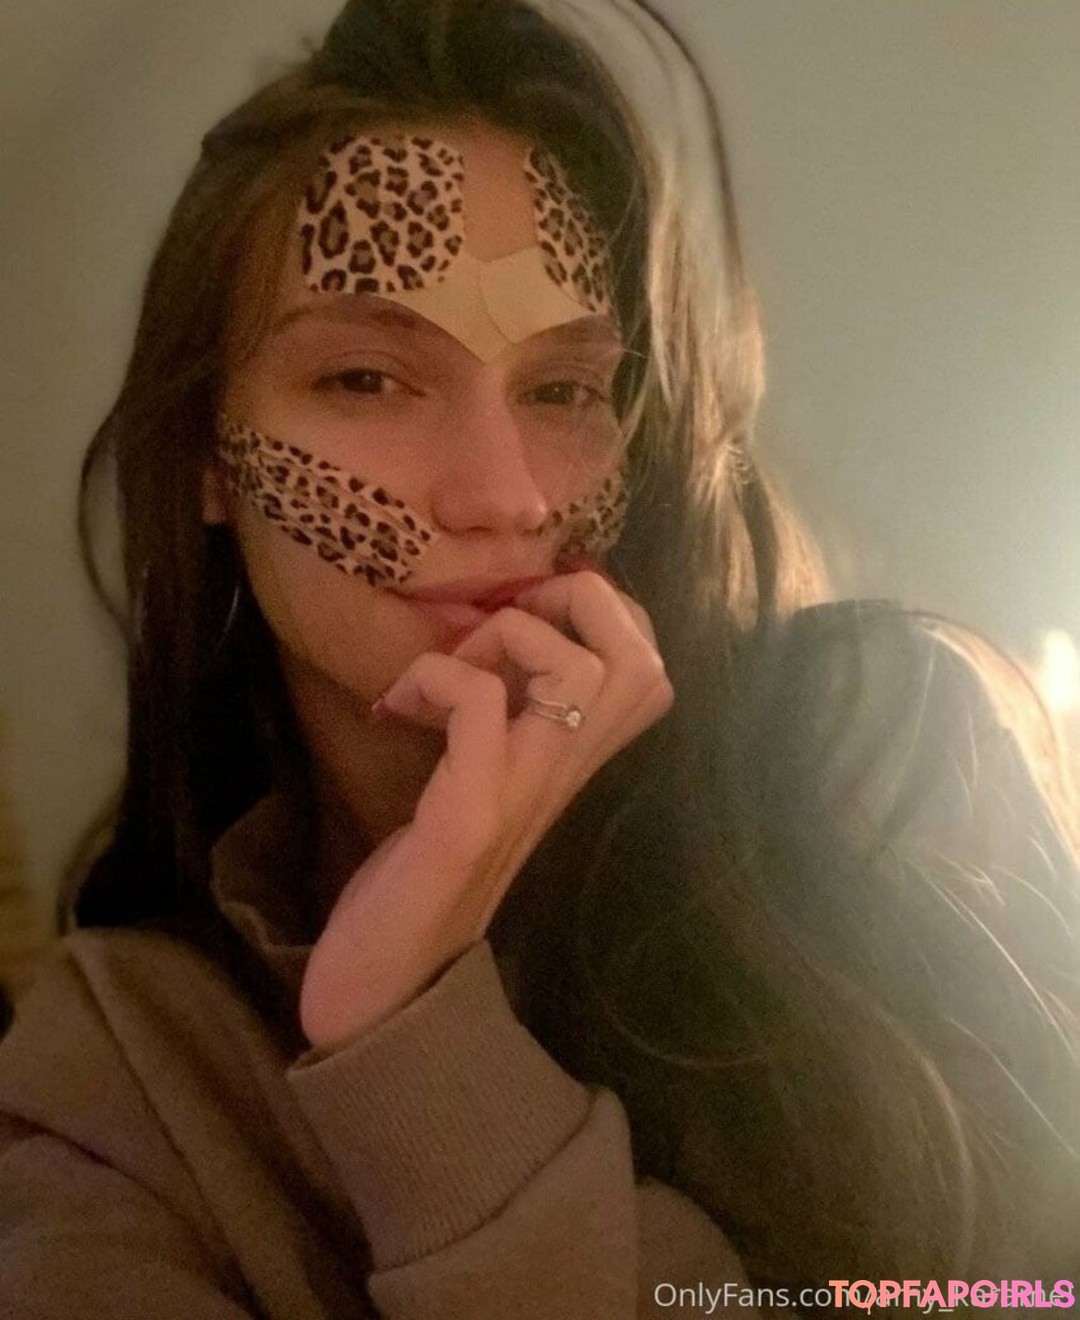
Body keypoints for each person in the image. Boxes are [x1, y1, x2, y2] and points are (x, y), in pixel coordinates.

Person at [1, 0, 1078, 1315]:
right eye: (366, 379)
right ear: (208, 459)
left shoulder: (884, 770)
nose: (507, 497)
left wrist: (413, 1029)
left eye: (564, 391)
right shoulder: (119, 1066)